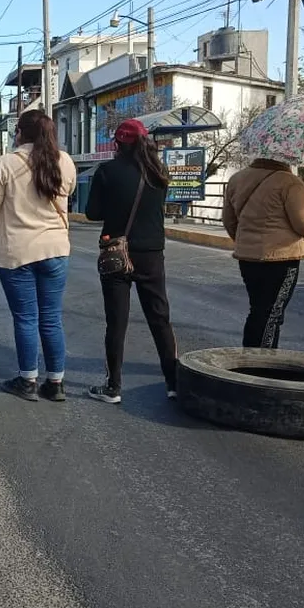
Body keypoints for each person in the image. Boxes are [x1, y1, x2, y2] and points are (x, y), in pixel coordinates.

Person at [0, 110, 77, 402]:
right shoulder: (65, 162)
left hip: (16, 253)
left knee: (26, 318)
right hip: (56, 251)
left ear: (21, 133)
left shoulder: (5, 164)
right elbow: (69, 191)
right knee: (52, 318)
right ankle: (56, 384)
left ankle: (28, 380)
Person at [84, 119, 178, 404]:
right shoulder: (158, 172)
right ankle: (173, 382)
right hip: (151, 254)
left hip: (117, 252)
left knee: (116, 321)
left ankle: (113, 386)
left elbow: (92, 213)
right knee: (160, 318)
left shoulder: (107, 171)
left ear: (118, 143)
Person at [223, 159, 304, 349]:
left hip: (248, 259)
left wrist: (250, 243)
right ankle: (262, 365)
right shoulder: (289, 182)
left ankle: (248, 359)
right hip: (281, 259)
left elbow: (229, 221)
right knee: (271, 315)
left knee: (258, 311)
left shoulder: (237, 179)